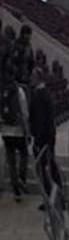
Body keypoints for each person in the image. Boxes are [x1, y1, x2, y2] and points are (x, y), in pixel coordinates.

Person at [27, 69, 55, 210]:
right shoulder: (44, 93)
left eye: (32, 77)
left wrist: (37, 141)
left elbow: (40, 121)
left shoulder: (40, 95)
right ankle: (52, 197)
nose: (30, 79)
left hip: (43, 140)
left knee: (44, 170)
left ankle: (50, 198)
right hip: (47, 138)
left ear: (38, 78)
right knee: (48, 169)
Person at [1, 71, 30, 202]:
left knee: (11, 161)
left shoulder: (2, 91)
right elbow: (24, 112)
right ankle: (21, 179)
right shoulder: (19, 91)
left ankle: (16, 191)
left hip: (5, 130)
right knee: (24, 155)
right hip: (18, 130)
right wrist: (27, 129)